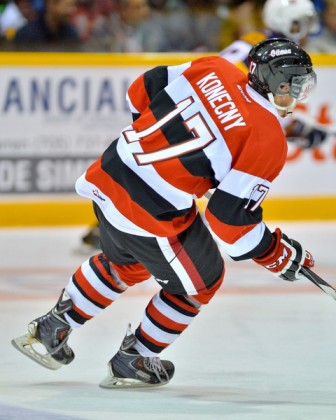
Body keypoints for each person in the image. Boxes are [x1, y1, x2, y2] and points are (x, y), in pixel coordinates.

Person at [12, 38, 316, 388]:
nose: (296, 93)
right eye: (295, 84)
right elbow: (229, 221)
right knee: (201, 282)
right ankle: (134, 358)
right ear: (279, 83)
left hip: (110, 172)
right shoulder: (267, 137)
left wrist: (154, 143)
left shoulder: (213, 68)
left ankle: (51, 328)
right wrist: (278, 253)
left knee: (127, 263)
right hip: (150, 211)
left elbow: (143, 87)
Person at [219, 0, 327, 150]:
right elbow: (267, 109)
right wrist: (300, 129)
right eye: (303, 23)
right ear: (289, 23)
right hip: (226, 117)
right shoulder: (281, 54)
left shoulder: (258, 38)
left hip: (211, 102)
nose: (308, 30)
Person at [11, 0, 81, 51]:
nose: (72, 10)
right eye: (68, 5)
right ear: (51, 4)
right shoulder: (26, 35)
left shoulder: (71, 34)